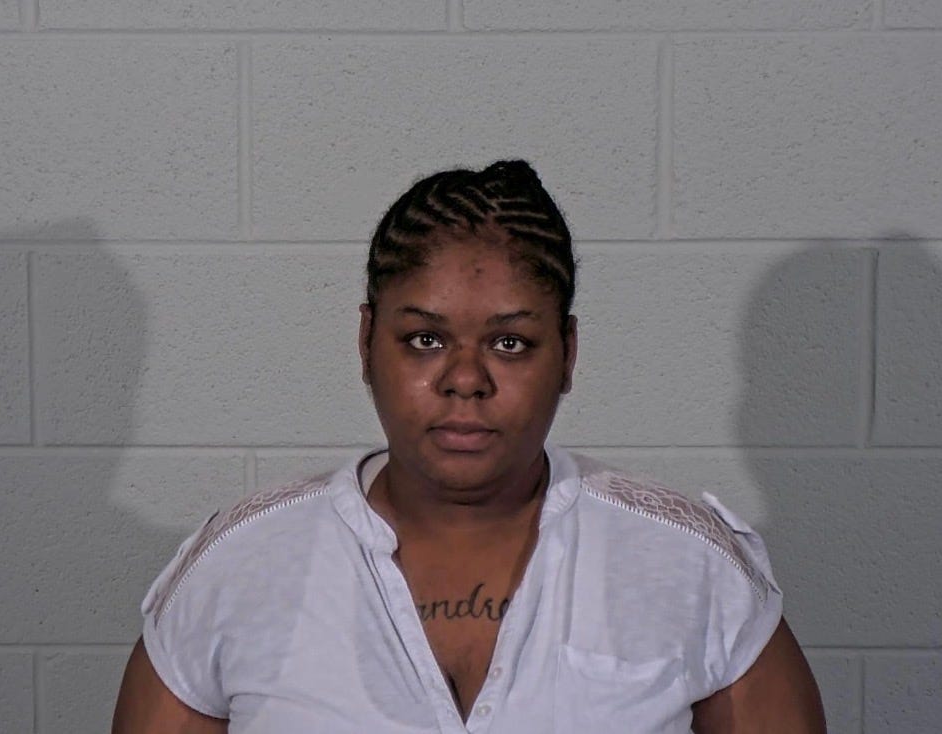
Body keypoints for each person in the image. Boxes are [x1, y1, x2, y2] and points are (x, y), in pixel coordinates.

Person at [112, 161, 825, 733]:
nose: (465, 379)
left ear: (568, 354)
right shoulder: (236, 565)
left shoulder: (691, 564)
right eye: (425, 339)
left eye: (510, 343)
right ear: (366, 342)